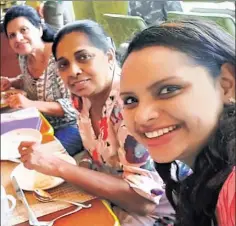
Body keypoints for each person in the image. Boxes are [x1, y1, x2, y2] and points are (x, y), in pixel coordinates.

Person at [18, 20, 175, 226]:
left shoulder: (130, 106)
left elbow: (143, 202)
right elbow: (95, 154)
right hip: (108, 195)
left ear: (109, 56)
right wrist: (80, 168)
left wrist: (59, 167)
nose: (73, 71)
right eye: (64, 64)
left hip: (156, 213)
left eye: (83, 57)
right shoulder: (82, 97)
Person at [121, 19, 235, 226]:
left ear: (226, 85)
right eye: (131, 100)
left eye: (168, 90)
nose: (142, 117)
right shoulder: (207, 172)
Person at [2, 5, 82, 156]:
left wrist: (31, 104)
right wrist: (11, 82)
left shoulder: (60, 57)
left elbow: (75, 108)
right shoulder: (24, 57)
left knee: (36, 158)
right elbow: (28, 81)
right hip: (41, 121)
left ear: (39, 29)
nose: (18, 38)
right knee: (9, 146)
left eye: (23, 30)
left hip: (73, 126)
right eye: (12, 35)